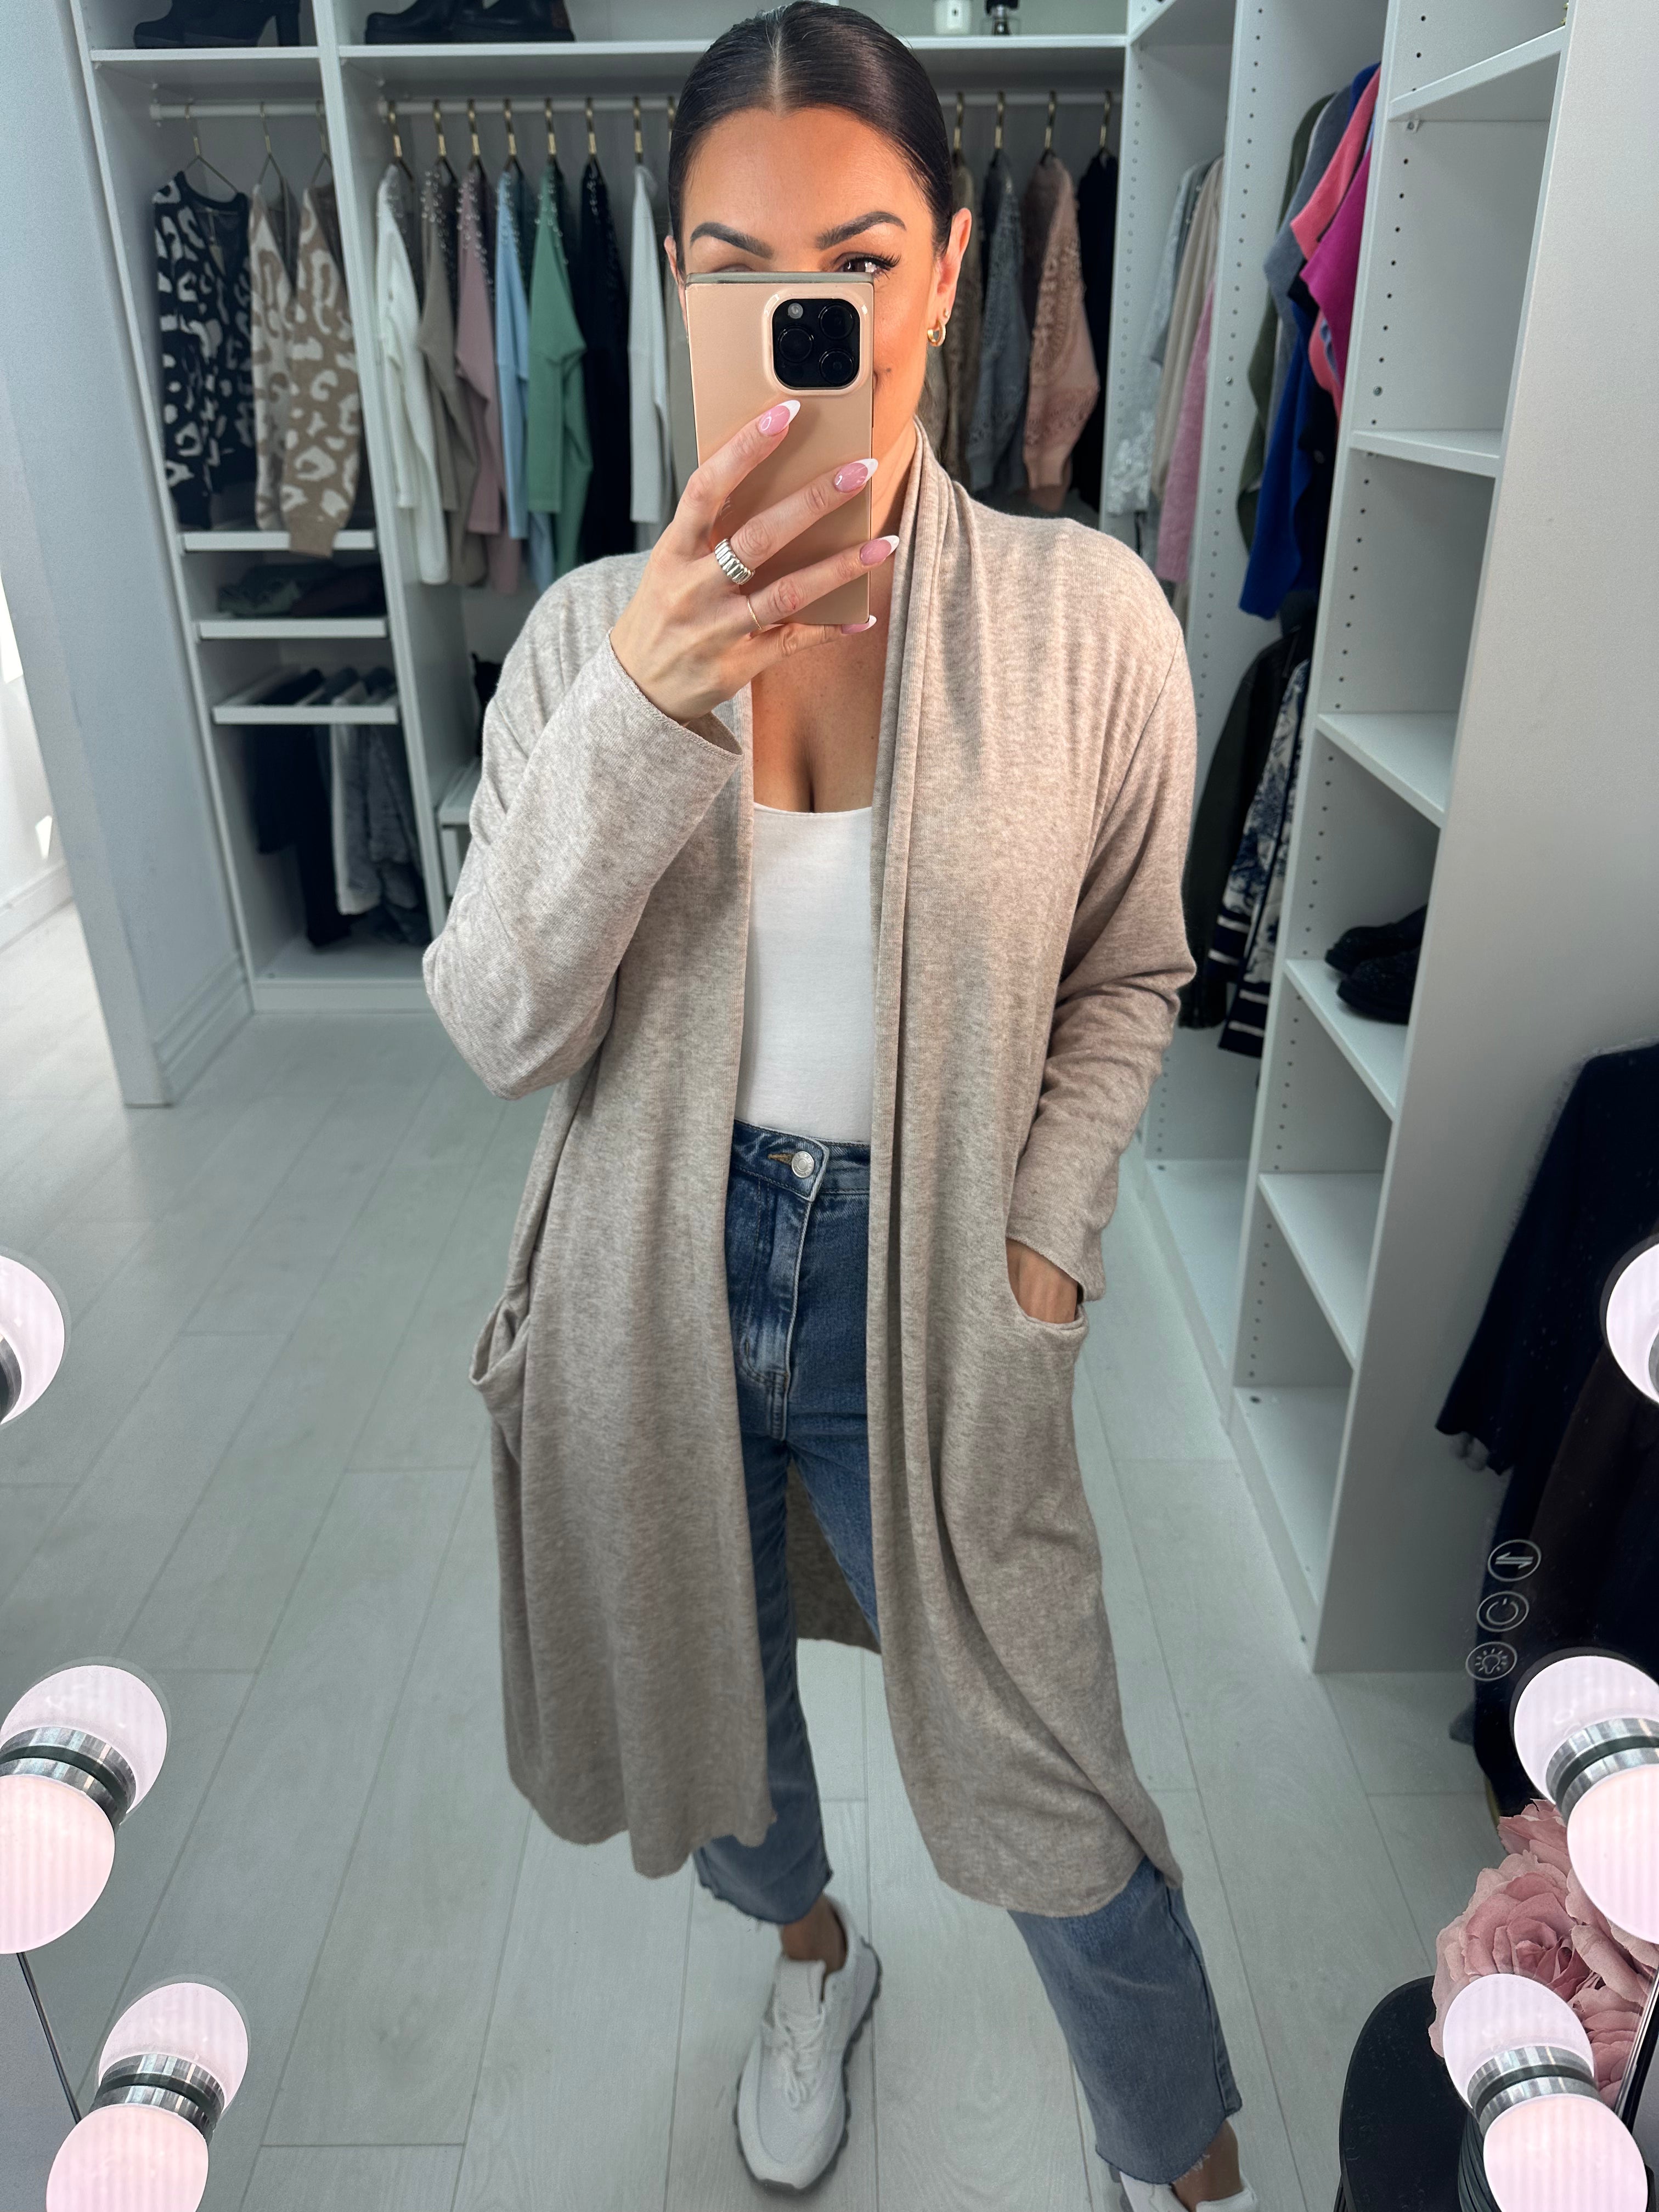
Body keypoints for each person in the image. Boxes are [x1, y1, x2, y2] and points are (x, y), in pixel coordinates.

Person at [424, 9, 1256, 2208]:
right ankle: (813, 1961)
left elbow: (1132, 973)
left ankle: (1182, 2155)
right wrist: (645, 705)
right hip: (647, 1283)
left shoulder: (1092, 626)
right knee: (715, 1721)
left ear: (956, 270)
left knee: (1051, 1769)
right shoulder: (580, 641)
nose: (804, 318)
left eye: (862, 260)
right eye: (739, 269)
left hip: (941, 1276)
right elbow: (498, 1022)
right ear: (674, 281)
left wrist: (1046, 1244)